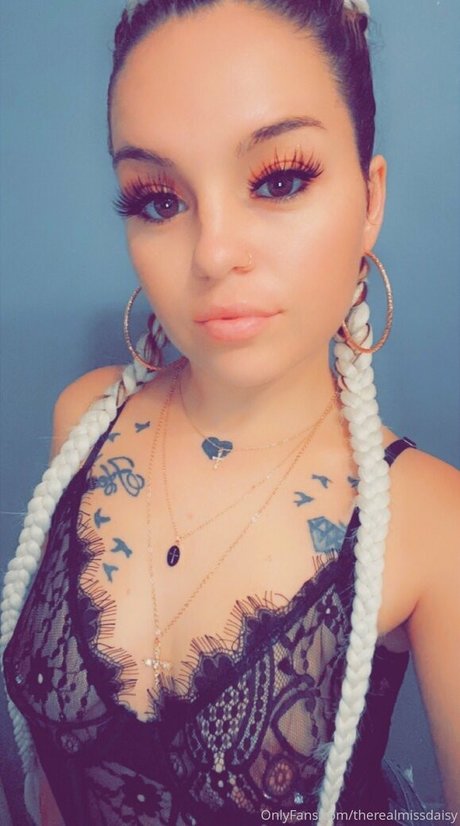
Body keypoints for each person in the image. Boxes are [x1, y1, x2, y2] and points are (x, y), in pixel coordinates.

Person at [1, 0, 459, 824]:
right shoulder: (85, 419)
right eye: (157, 198)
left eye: (279, 180)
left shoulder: (431, 524)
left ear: (370, 200)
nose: (213, 253)